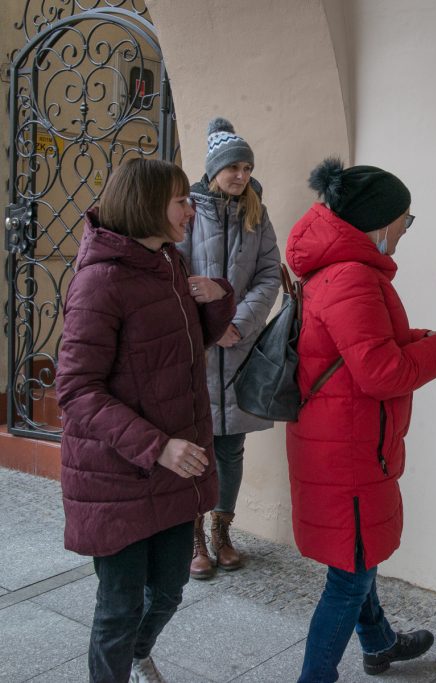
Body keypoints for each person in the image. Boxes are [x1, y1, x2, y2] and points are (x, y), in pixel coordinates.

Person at [286, 158, 436, 682]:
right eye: (405, 221)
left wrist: (422, 341)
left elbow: (359, 348)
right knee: (350, 574)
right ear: (379, 222)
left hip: (341, 438)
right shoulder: (351, 277)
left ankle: (380, 643)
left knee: (357, 555)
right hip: (350, 447)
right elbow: (382, 373)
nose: (405, 232)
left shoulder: (337, 268)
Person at [57, 158, 234, 683]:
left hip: (172, 467)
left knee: (172, 588)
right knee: (118, 606)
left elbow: (179, 349)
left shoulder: (169, 263)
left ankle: (137, 655)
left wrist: (217, 297)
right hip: (119, 475)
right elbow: (76, 389)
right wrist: (157, 446)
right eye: (182, 200)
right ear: (146, 205)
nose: (191, 210)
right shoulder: (100, 282)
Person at [178, 117, 281, 579]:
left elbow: (267, 273)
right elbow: (174, 275)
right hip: (195, 351)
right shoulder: (188, 212)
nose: (239, 175)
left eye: (245, 166)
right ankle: (194, 536)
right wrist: (210, 327)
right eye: (231, 167)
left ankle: (222, 531)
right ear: (212, 170)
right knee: (196, 446)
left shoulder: (257, 214)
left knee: (231, 449)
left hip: (240, 348)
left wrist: (237, 322)